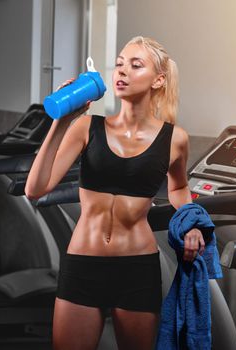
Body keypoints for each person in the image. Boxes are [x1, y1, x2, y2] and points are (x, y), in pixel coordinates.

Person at [25, 36, 205, 350]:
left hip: (136, 268)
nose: (122, 71)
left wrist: (191, 219)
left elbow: (177, 187)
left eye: (136, 65)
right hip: (83, 264)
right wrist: (61, 121)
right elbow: (35, 189)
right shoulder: (86, 128)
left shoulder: (174, 139)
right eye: (120, 64)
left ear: (158, 80)